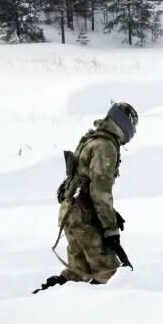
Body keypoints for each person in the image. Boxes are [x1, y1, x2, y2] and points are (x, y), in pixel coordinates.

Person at [40, 102, 138, 289]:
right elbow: (100, 190)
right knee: (109, 274)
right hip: (82, 217)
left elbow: (85, 181)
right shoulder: (106, 147)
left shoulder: (92, 139)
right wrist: (110, 229)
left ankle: (53, 296)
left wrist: (111, 213)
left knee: (79, 272)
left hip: (71, 212)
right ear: (126, 124)